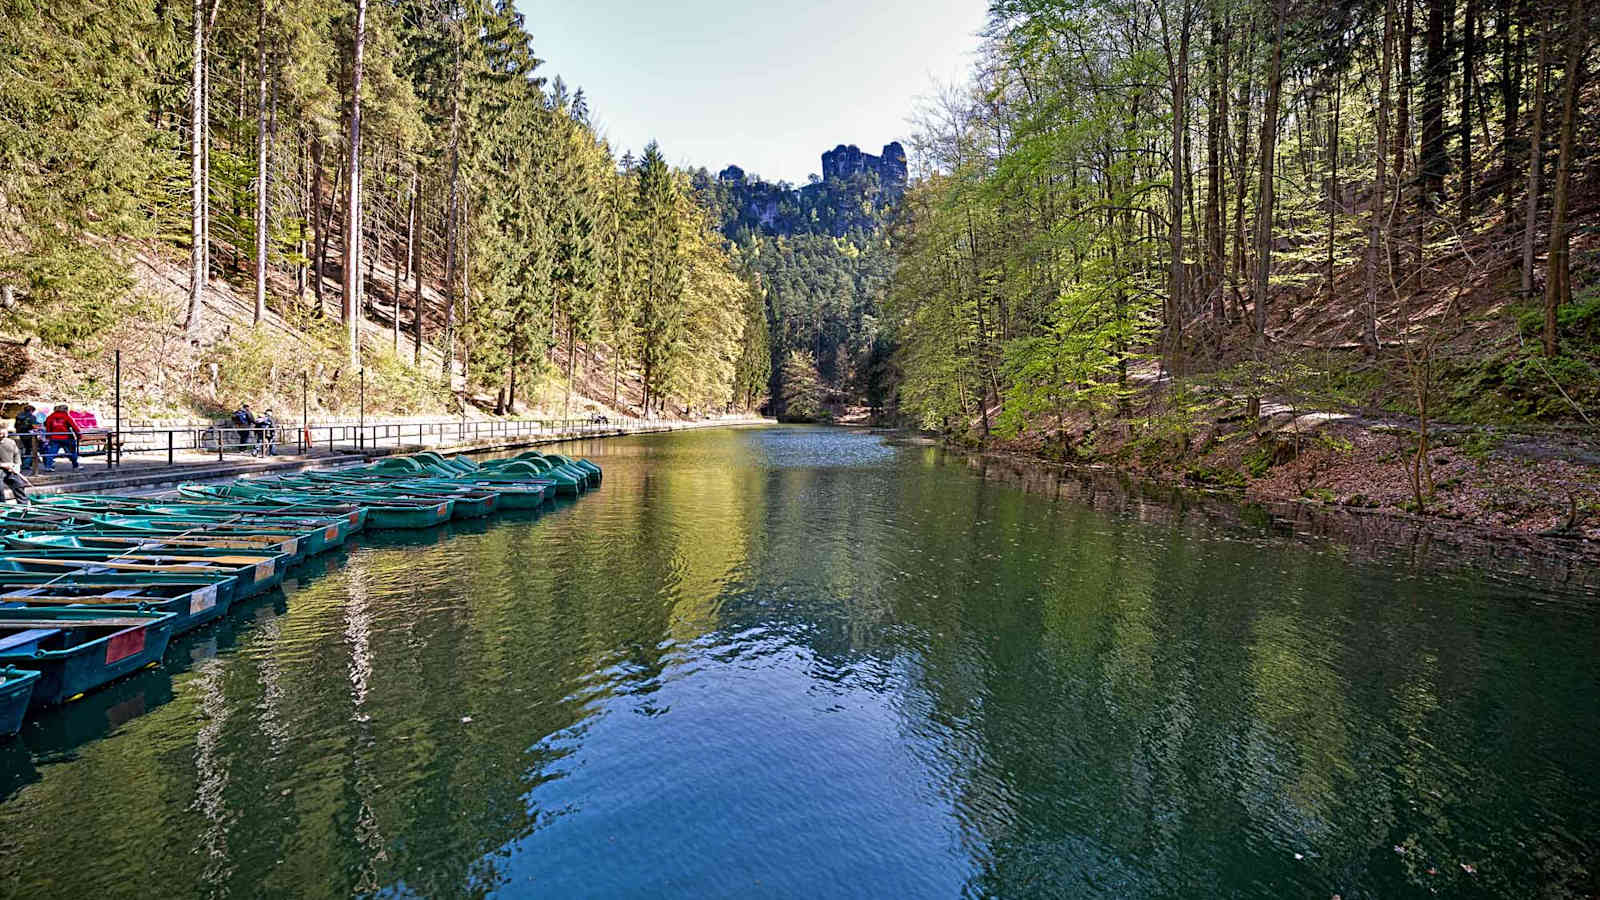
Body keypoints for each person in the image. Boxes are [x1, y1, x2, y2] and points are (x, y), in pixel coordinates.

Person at [41, 403, 80, 472]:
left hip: (54, 437)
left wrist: (48, 436)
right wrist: (78, 435)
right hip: (66, 437)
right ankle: (75, 465)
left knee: (51, 453)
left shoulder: (50, 417)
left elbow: (48, 427)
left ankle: (48, 466)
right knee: (71, 452)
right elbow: (74, 426)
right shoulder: (66, 416)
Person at [0, 425, 31, 505]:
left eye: (4, 433)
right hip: (1, 469)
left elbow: (16, 454)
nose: (3, 436)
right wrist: (3, 465)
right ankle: (2, 506)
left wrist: (17, 465)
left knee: (19, 485)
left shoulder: (11, 442)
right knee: (0, 488)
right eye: (1, 434)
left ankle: (23, 505)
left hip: (11, 469)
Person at [12, 404, 41, 474]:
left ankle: (24, 463)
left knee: (24, 449)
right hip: (29, 435)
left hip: (21, 434)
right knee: (31, 449)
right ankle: (26, 465)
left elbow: (15, 425)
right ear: (32, 410)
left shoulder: (18, 416)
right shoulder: (32, 417)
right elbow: (35, 426)